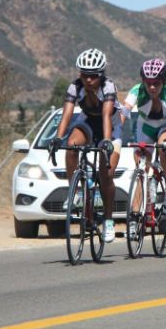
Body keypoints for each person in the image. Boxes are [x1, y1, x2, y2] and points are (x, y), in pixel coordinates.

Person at [53, 48, 122, 243]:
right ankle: (73, 192)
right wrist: (58, 138)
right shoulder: (75, 87)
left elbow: (107, 115)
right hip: (89, 122)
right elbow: (67, 114)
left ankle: (108, 220)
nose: (88, 80)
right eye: (84, 75)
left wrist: (107, 142)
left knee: (106, 174)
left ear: (101, 75)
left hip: (110, 127)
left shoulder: (108, 87)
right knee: (71, 144)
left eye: (93, 76)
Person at [121, 58, 166, 237]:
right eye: (148, 83)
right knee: (141, 169)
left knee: (164, 147)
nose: (152, 87)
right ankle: (134, 217)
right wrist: (115, 129)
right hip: (145, 127)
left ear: (163, 82)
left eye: (156, 83)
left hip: (165, 127)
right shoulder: (136, 91)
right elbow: (124, 110)